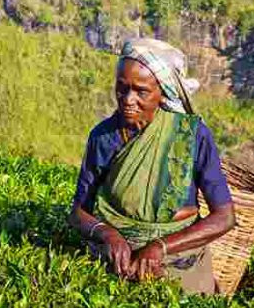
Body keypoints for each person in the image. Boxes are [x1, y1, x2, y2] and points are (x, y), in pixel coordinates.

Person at [69, 39, 236, 294]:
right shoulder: (103, 137)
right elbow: (79, 213)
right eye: (121, 88)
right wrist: (107, 235)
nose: (127, 99)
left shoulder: (191, 136)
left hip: (178, 263)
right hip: (116, 263)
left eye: (141, 91)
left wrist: (161, 246)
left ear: (163, 93)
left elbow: (224, 217)